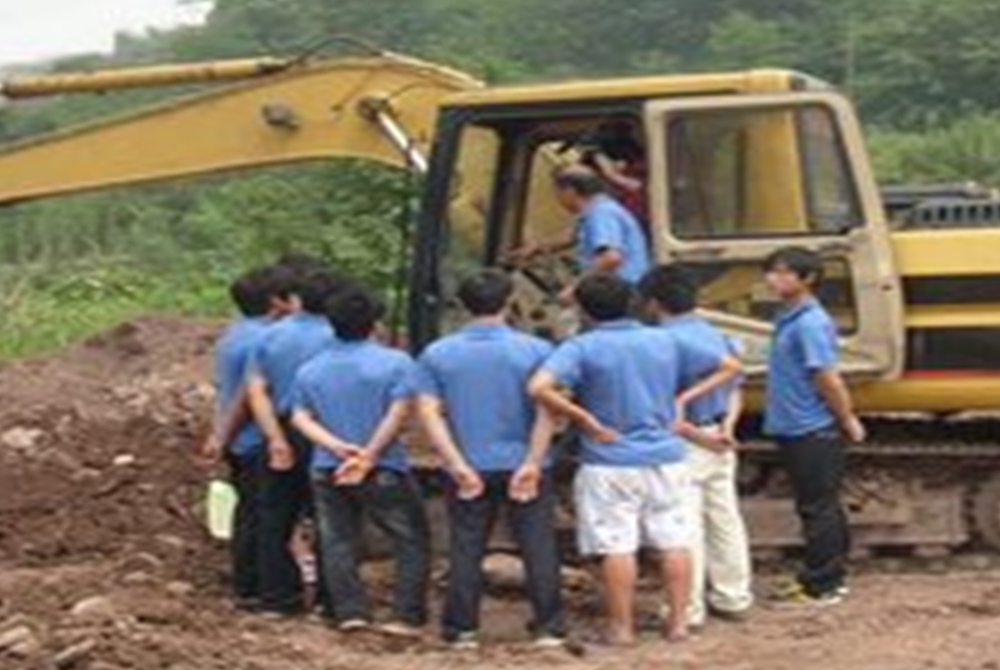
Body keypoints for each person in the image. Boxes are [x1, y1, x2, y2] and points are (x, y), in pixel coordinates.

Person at [527, 273, 732, 645]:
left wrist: (584, 419)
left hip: (609, 459)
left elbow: (538, 387)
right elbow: (730, 367)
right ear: (632, 303)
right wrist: (681, 401)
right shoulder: (665, 339)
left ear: (584, 310)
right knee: (675, 541)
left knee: (617, 546)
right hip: (667, 456)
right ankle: (679, 624)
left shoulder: (582, 346)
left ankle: (622, 628)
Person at [415, 270, 563, 649]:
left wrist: (456, 464)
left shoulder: (437, 353)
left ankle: (462, 629)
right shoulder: (537, 351)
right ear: (509, 301)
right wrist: (533, 462)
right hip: (525, 464)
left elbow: (429, 413)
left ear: (462, 305)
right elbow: (548, 411)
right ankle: (549, 627)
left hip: (469, 464)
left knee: (466, 546)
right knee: (538, 545)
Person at [290, 285, 431, 636]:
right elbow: (398, 413)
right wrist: (368, 455)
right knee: (411, 538)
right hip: (384, 466)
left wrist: (336, 447)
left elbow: (300, 417)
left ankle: (350, 612)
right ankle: (405, 614)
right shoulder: (396, 363)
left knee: (337, 539)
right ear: (375, 323)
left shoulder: (311, 369)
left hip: (328, 466)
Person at [638, 265, 751, 628]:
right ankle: (734, 596)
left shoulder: (660, 342)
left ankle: (687, 607)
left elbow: (662, 405)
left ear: (653, 303)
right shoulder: (714, 333)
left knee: (684, 524)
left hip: (687, 442)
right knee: (725, 519)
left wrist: (697, 435)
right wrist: (726, 429)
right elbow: (735, 385)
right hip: (721, 435)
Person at [761, 246, 867, 606]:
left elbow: (826, 377)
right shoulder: (789, 317)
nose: (773, 279)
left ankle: (825, 585)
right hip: (793, 425)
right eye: (771, 271)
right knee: (815, 505)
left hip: (811, 427)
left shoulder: (809, 323)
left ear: (808, 279)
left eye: (783, 272)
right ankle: (818, 578)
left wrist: (846, 418)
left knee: (819, 508)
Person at [245, 263, 344, 617]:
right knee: (331, 517)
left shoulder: (269, 336)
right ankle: (332, 600)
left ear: (297, 298)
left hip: (284, 427)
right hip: (329, 431)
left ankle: (277, 597)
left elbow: (256, 391)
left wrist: (274, 438)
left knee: (275, 515)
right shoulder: (340, 336)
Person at [199, 265, 287, 609]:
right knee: (264, 516)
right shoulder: (263, 340)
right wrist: (223, 434)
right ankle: (262, 586)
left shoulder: (234, 335)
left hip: (237, 440)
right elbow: (248, 396)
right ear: (274, 301)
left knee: (247, 511)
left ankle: (246, 583)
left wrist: (221, 435)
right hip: (253, 437)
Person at [510, 167, 651, 294]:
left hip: (621, 293)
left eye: (557, 192)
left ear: (569, 192)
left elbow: (610, 258)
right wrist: (536, 248)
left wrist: (576, 288)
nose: (558, 199)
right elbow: (572, 236)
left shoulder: (601, 213)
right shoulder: (599, 209)